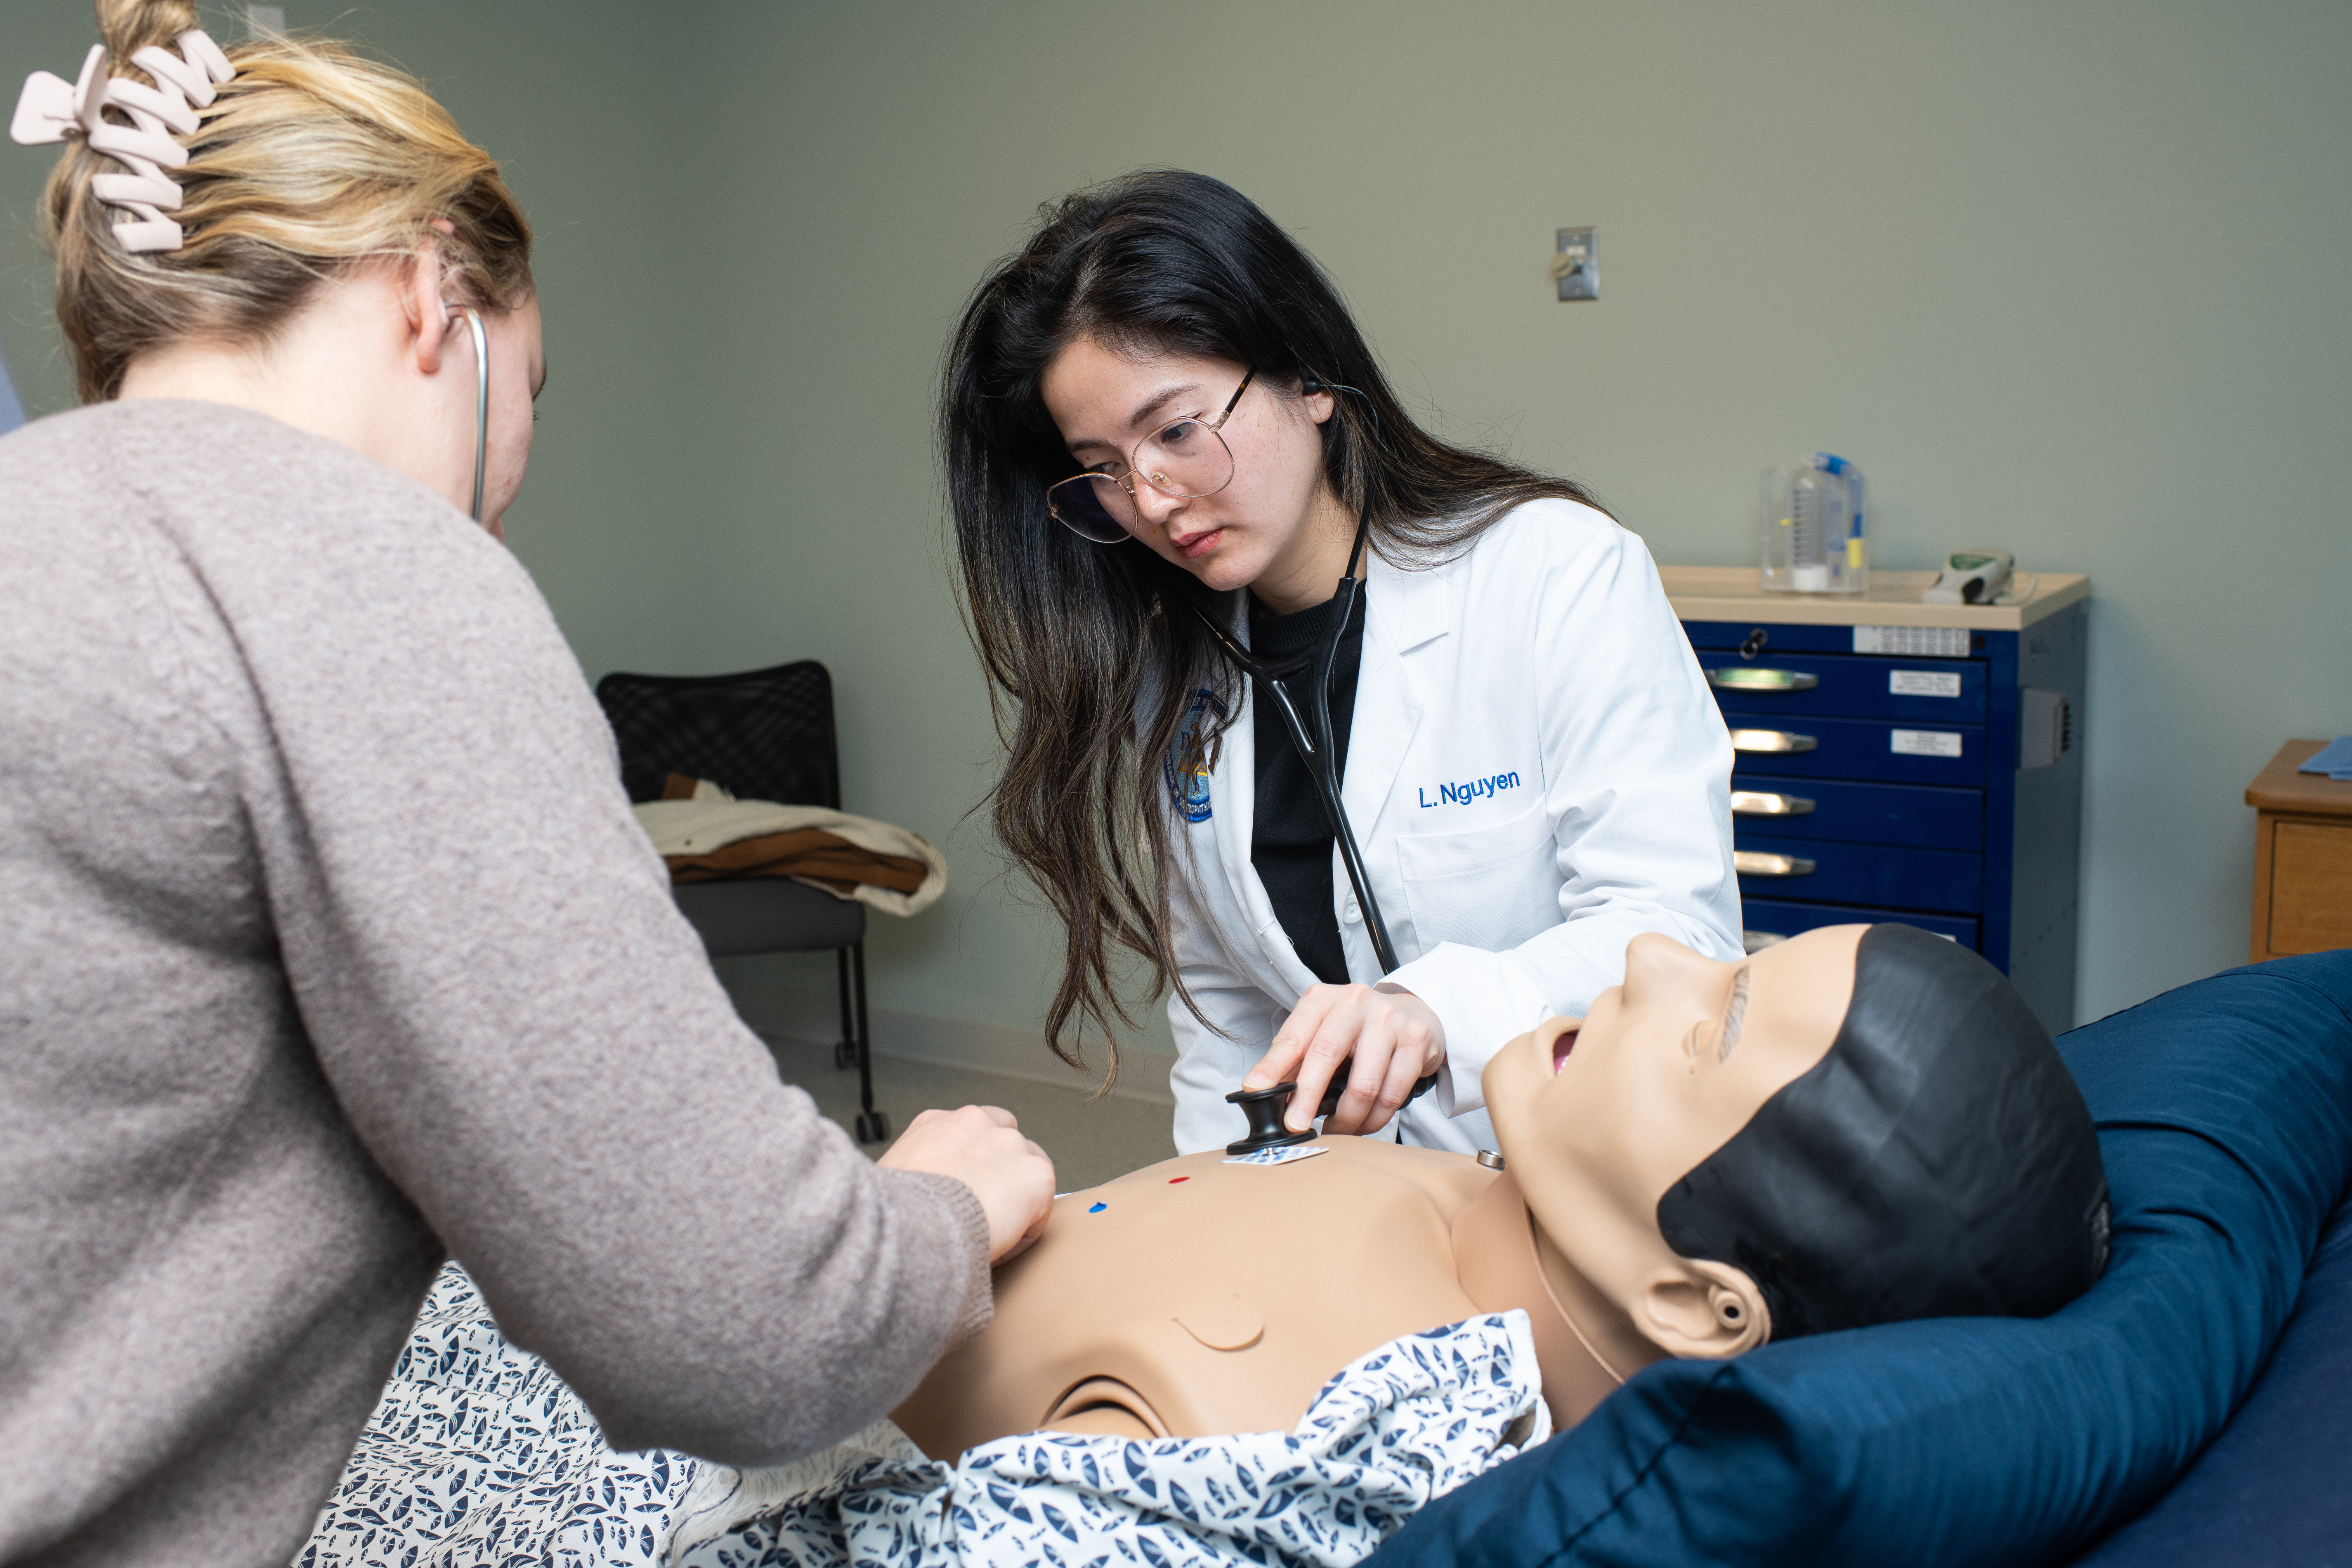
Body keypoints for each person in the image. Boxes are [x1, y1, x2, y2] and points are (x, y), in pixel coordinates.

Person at [0, 6, 1053, 1566]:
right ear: (435, 293)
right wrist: (941, 1211)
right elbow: (738, 1327)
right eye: (532, 394)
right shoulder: (363, 562)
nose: (504, 498)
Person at [942, 170, 1743, 1156]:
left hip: (1591, 1173)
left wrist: (1432, 1008)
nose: (1150, 499)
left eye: (1177, 431)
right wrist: (1227, 1219)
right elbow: (1227, 1014)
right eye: (1104, 467)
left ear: (1308, 379)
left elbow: (1675, 934)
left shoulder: (1552, 571)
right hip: (1353, 1212)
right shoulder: (1176, 672)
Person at [892, 923, 2110, 1457]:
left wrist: (894, 1244)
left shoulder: (1259, 1435)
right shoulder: (1468, 1199)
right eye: (1735, 961)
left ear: (1695, 1304)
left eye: (1713, 1028)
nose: (1649, 958)